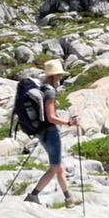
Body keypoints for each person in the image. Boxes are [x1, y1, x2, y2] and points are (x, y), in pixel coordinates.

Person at [23, 59, 80, 206]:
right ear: (54, 76)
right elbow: (51, 117)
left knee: (59, 166)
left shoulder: (42, 88)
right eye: (59, 75)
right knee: (55, 168)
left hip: (42, 132)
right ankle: (33, 195)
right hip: (50, 133)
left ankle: (68, 198)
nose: (60, 78)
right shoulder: (49, 91)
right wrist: (69, 123)